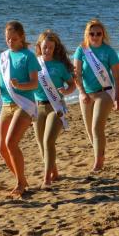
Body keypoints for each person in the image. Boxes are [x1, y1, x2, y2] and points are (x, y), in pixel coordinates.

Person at [0, 21, 39, 196]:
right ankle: (22, 179)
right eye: (7, 39)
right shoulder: (1, 57)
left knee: (11, 143)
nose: (10, 42)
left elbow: (34, 83)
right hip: (6, 104)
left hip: (24, 104)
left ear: (22, 37)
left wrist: (20, 85)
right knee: (1, 148)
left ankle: (20, 183)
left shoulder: (28, 56)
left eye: (14, 38)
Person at [73, 19, 119, 171]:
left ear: (103, 34)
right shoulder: (81, 50)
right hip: (87, 94)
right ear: (87, 34)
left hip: (104, 93)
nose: (95, 36)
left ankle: (98, 163)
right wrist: (81, 92)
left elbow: (117, 76)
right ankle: (100, 154)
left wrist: (118, 97)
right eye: (91, 33)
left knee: (96, 128)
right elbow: (77, 74)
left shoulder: (109, 51)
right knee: (89, 130)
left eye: (98, 33)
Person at [33, 30, 76, 188]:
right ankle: (54, 172)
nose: (47, 50)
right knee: (40, 143)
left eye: (50, 47)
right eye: (45, 47)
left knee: (48, 141)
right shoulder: (34, 63)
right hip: (38, 107)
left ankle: (47, 179)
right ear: (39, 46)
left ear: (55, 48)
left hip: (56, 107)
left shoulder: (59, 66)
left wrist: (67, 91)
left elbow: (72, 84)